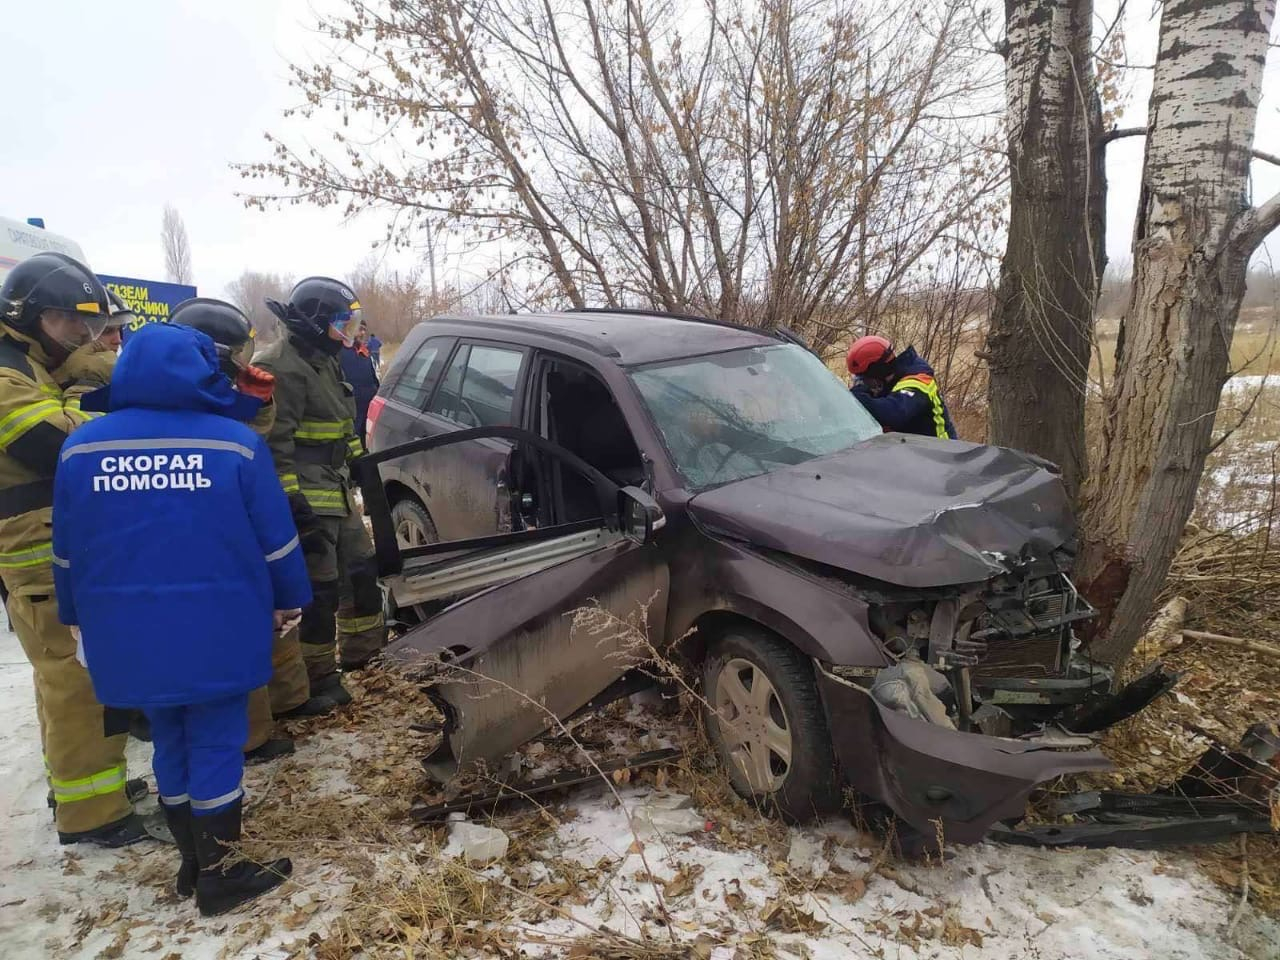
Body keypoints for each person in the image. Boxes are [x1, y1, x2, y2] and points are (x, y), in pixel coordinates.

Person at [53, 322, 311, 915]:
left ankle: (192, 863)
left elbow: (65, 546)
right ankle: (221, 873)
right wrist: (290, 598)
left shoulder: (82, 446)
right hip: (218, 620)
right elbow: (275, 541)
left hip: (125, 627)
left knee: (168, 735)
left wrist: (73, 614)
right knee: (217, 739)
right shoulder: (234, 443)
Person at [0, 252, 151, 847]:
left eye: (90, 327)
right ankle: (93, 814)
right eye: (71, 324)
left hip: (59, 544)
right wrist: (89, 383)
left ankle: (86, 786)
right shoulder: (6, 374)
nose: (84, 337)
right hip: (34, 551)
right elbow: (61, 446)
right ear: (31, 315)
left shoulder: (34, 367)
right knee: (73, 680)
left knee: (73, 676)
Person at [169, 298, 338, 757]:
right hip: (216, 526)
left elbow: (253, 436)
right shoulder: (179, 399)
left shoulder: (218, 386)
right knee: (239, 625)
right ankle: (250, 735)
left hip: (246, 507)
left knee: (275, 612)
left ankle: (287, 700)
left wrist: (257, 401)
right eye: (237, 352)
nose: (247, 359)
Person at [256, 278, 386, 705]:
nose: (348, 332)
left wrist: (360, 465)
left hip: (336, 487)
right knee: (320, 590)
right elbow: (273, 447)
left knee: (363, 572)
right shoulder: (280, 366)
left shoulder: (325, 359)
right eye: (340, 323)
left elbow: (340, 426)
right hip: (308, 496)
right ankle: (317, 679)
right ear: (314, 324)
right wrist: (292, 505)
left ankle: (364, 656)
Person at [846, 335, 957, 440]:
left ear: (879, 370)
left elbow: (894, 414)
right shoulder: (888, 380)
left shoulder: (919, 379)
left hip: (941, 452)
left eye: (866, 379)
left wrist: (858, 398)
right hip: (909, 450)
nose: (865, 383)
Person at [338, 328, 380, 446]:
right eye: (359, 329)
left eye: (364, 330)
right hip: (350, 407)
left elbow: (373, 375)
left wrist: (377, 390)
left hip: (368, 406)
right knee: (352, 439)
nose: (362, 333)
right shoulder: (337, 352)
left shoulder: (364, 351)